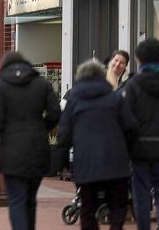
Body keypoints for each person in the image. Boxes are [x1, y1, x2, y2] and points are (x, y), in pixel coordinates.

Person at [0, 51, 61, 230]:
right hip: (38, 149)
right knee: (30, 200)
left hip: (11, 151)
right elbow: (55, 113)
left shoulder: (1, 87)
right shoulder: (42, 83)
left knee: (16, 199)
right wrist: (42, 127)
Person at [55, 60, 136, 230]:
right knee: (117, 205)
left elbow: (64, 134)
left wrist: (61, 162)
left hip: (86, 161)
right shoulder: (115, 98)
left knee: (88, 207)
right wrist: (127, 151)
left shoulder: (74, 101)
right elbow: (130, 126)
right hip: (116, 160)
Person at [121, 38, 159, 230]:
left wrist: (127, 147)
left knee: (142, 195)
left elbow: (128, 119)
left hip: (140, 149)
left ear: (138, 59)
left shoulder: (133, 84)